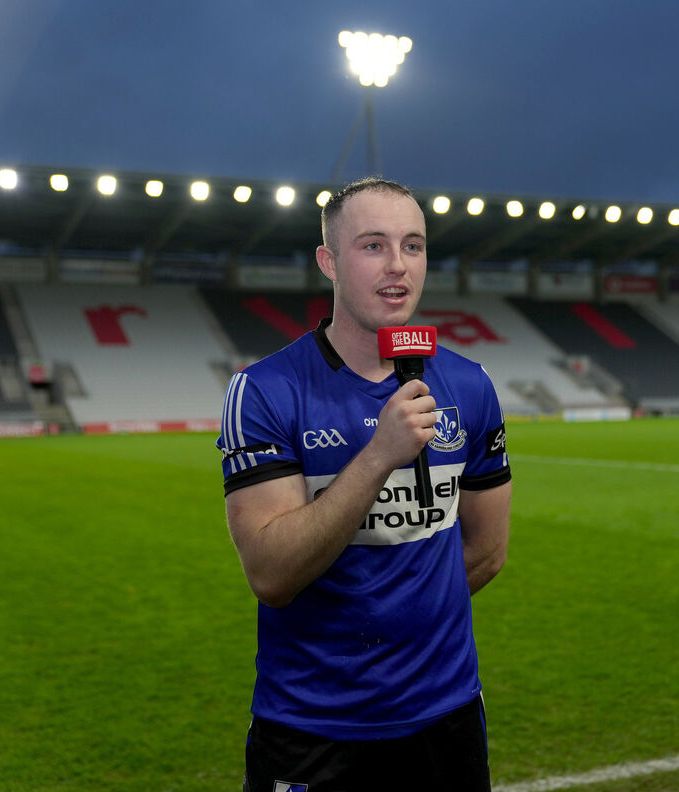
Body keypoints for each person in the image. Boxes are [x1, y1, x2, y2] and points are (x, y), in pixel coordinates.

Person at [216, 177, 512, 791]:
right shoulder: (265, 391)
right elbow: (271, 575)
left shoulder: (471, 384)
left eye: (414, 245)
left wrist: (410, 630)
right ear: (328, 261)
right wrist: (379, 455)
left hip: (446, 717)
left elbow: (486, 551)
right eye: (373, 246)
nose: (398, 265)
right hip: (313, 726)